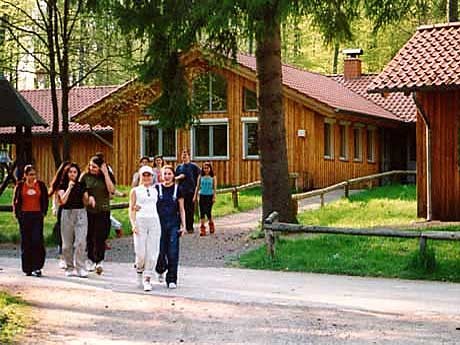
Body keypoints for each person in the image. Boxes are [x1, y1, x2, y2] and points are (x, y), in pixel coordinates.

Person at [129, 165, 162, 291]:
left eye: (149, 175)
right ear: (140, 176)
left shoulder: (155, 190)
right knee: (140, 252)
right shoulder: (135, 191)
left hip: (154, 221)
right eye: (144, 175)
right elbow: (131, 208)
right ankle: (139, 269)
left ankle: (147, 278)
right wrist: (133, 224)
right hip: (140, 221)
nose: (147, 177)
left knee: (152, 252)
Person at [80, 155, 115, 275]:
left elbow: (112, 190)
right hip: (90, 211)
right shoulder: (85, 176)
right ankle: (90, 259)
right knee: (89, 235)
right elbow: (81, 189)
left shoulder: (106, 176)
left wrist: (105, 173)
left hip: (103, 210)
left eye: (95, 167)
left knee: (101, 236)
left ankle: (99, 261)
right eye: (90, 166)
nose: (91, 168)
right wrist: (88, 197)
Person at [13, 165, 48, 277]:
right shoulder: (20, 186)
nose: (32, 177)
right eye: (30, 174)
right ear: (25, 175)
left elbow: (45, 199)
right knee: (26, 241)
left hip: (37, 215)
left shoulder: (40, 185)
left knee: (37, 240)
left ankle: (37, 266)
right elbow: (16, 201)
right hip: (24, 215)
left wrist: (43, 212)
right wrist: (17, 214)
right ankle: (27, 267)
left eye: (34, 174)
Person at [156, 166, 186, 289]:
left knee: (173, 251)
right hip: (159, 224)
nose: (167, 176)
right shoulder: (156, 189)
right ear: (161, 176)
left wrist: (183, 225)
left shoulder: (178, 189)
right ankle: (160, 269)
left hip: (173, 223)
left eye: (169, 173)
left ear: (173, 175)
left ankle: (172, 278)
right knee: (160, 250)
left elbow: (182, 209)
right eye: (165, 174)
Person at [57, 163, 89, 278]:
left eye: (75, 172)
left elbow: (86, 200)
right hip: (67, 214)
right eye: (70, 172)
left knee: (81, 242)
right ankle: (70, 267)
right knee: (67, 244)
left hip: (80, 213)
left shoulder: (81, 185)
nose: (72, 174)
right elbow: (63, 201)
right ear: (67, 173)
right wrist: (69, 187)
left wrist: (89, 198)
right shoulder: (62, 185)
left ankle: (81, 267)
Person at [48, 161, 71, 269]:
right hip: (62, 210)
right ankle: (62, 257)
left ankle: (70, 257)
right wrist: (54, 208)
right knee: (63, 235)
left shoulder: (74, 182)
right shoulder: (60, 183)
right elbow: (55, 195)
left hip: (74, 211)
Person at [175, 149, 200, 233]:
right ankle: (182, 226)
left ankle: (190, 227)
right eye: (183, 155)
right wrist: (179, 177)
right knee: (181, 209)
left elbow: (199, 178)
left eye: (185, 155)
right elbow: (174, 179)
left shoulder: (194, 166)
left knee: (190, 210)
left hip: (191, 191)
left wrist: (197, 192)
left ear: (189, 156)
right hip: (181, 191)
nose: (184, 156)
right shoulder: (179, 167)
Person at [193, 162, 217, 236]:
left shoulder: (213, 177)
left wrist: (214, 196)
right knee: (202, 212)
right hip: (202, 195)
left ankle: (211, 224)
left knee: (208, 212)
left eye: (207, 168)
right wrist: (195, 196)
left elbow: (214, 188)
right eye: (204, 168)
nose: (206, 170)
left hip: (209, 196)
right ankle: (202, 228)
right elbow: (197, 186)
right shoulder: (200, 176)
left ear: (210, 168)